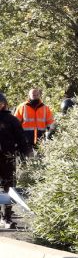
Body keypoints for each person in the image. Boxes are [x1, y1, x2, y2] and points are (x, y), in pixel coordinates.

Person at [0, 93, 32, 228]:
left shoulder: (12, 120)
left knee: (8, 188)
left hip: (7, 158)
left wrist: (27, 153)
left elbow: (21, 138)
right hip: (7, 158)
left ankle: (6, 217)